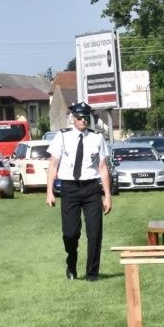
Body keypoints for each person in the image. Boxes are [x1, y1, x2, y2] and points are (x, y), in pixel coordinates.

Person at [44, 102, 112, 281]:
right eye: (80, 117)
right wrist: (49, 192)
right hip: (70, 188)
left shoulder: (97, 137)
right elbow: (53, 165)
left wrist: (107, 195)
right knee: (70, 233)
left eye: (86, 117)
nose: (83, 120)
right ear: (73, 118)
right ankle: (71, 263)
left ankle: (92, 274)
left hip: (91, 188)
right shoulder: (62, 136)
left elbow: (103, 167)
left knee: (95, 232)